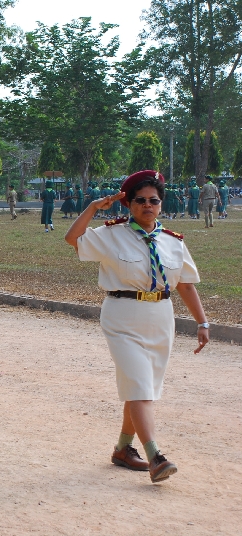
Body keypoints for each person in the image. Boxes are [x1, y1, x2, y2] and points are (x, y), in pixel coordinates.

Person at [64, 169, 209, 483]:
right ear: (128, 204)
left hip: (160, 317)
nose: (147, 205)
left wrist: (202, 322)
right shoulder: (111, 234)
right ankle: (156, 456)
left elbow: (185, 285)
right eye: (140, 200)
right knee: (140, 384)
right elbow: (72, 239)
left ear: (161, 204)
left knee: (143, 387)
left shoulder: (173, 242)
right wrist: (93, 208)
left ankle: (122, 449)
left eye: (153, 200)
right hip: (122, 314)